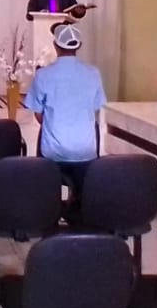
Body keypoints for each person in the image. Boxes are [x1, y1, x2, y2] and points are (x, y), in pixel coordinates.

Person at [23, 23, 106, 221]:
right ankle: (78, 213)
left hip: (53, 152)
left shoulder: (43, 75)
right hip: (85, 152)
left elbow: (38, 115)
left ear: (55, 45)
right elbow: (95, 109)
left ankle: (48, 211)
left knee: (44, 137)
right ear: (79, 46)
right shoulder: (93, 73)